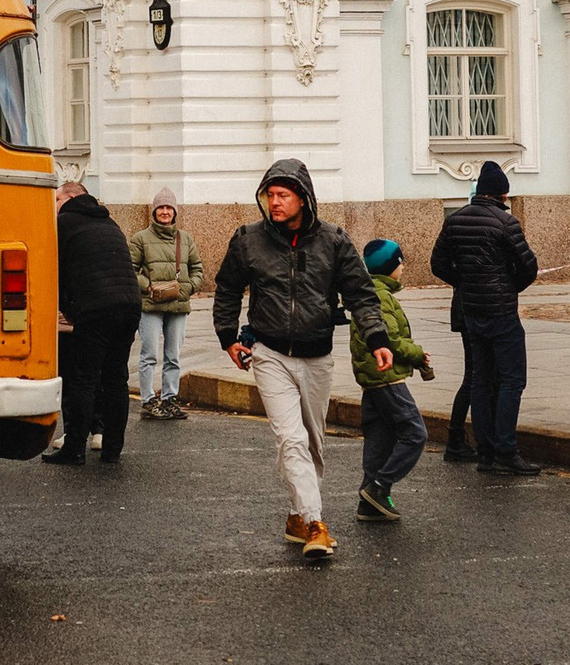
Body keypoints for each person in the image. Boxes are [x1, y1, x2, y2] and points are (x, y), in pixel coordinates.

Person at [212, 159, 392, 562]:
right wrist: (228, 337)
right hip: (269, 353)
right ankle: (315, 523)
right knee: (290, 439)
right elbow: (227, 289)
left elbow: (361, 294)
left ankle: (296, 516)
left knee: (313, 444)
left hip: (317, 356)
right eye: (269, 196)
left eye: (283, 196)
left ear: (303, 199)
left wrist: (377, 337)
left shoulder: (333, 241)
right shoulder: (248, 240)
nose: (274, 203)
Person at [430, 161, 541, 476]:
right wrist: (508, 286)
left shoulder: (456, 220)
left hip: (472, 311)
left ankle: (485, 452)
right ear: (502, 194)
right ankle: (506, 449)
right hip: (502, 312)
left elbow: (437, 263)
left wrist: (465, 283)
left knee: (480, 379)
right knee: (511, 380)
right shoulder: (506, 222)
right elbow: (528, 267)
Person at [44, 179, 141, 466]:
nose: (55, 206)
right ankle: (112, 449)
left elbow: (56, 273)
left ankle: (74, 448)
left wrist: (70, 310)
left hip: (96, 308)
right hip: (130, 305)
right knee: (116, 379)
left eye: (58, 200)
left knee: (84, 379)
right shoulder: (110, 223)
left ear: (71, 199)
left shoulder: (64, 224)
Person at [351, 240, 433, 520]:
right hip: (386, 376)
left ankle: (369, 503)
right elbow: (392, 341)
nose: (403, 266)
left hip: (372, 379)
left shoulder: (372, 291)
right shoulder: (381, 297)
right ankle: (379, 486)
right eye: (400, 261)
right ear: (389, 267)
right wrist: (418, 354)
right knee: (415, 434)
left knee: (379, 439)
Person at [129, 187, 202, 421]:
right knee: (148, 355)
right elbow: (130, 269)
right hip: (150, 305)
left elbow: (198, 268)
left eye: (169, 207)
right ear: (154, 211)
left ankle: (170, 399)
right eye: (160, 207)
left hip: (178, 305)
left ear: (175, 211)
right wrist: (148, 286)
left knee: (174, 356)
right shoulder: (140, 238)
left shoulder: (185, 238)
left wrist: (189, 288)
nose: (164, 211)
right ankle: (149, 401)